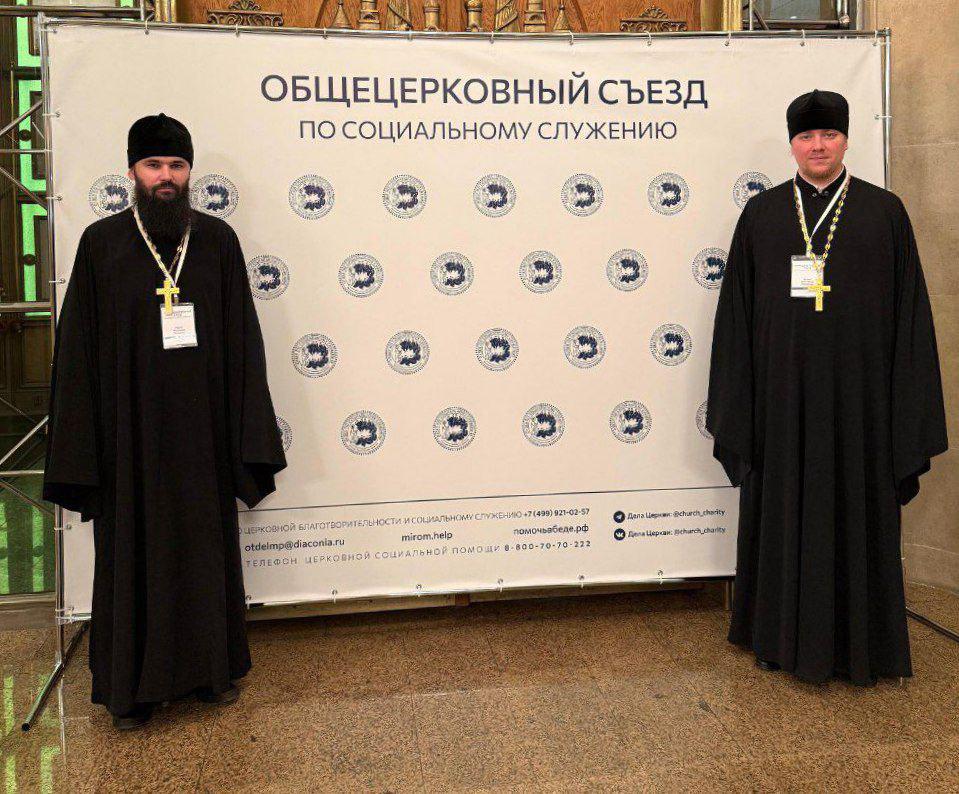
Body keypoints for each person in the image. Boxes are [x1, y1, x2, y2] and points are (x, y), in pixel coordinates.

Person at [43, 113, 287, 728]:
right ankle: (131, 692)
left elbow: (242, 340)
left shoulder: (217, 241)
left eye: (177, 165)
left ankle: (210, 673)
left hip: (202, 435)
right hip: (128, 440)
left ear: (189, 173)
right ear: (132, 171)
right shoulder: (102, 244)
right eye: (154, 165)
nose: (166, 177)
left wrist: (244, 432)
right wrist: (83, 446)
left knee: (203, 551)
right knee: (132, 552)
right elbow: (78, 351)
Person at [706, 90, 947, 685]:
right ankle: (777, 639)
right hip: (782, 407)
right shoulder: (761, 215)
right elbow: (735, 320)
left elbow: (911, 318)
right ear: (792, 144)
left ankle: (863, 645)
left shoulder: (884, 213)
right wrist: (741, 407)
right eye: (807, 137)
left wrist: (904, 413)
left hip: (861, 409)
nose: (818, 146)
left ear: (845, 140)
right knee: (783, 509)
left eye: (829, 135)